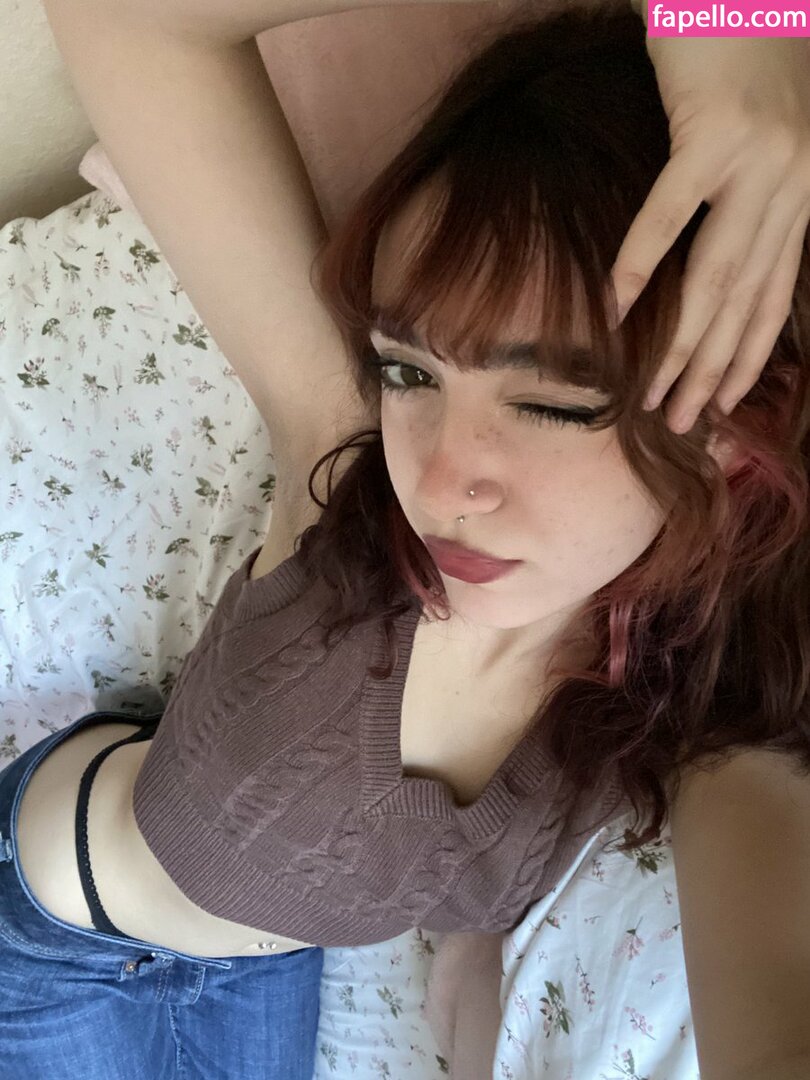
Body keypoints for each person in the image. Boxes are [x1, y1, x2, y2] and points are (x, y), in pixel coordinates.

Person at [1, 0, 808, 1078]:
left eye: (552, 403)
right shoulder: (345, 475)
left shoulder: (694, 675)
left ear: (734, 434)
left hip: (260, 973)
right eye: (409, 370)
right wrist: (724, 10)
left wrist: (473, 951)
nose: (435, 483)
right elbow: (128, 18)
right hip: (64, 943)